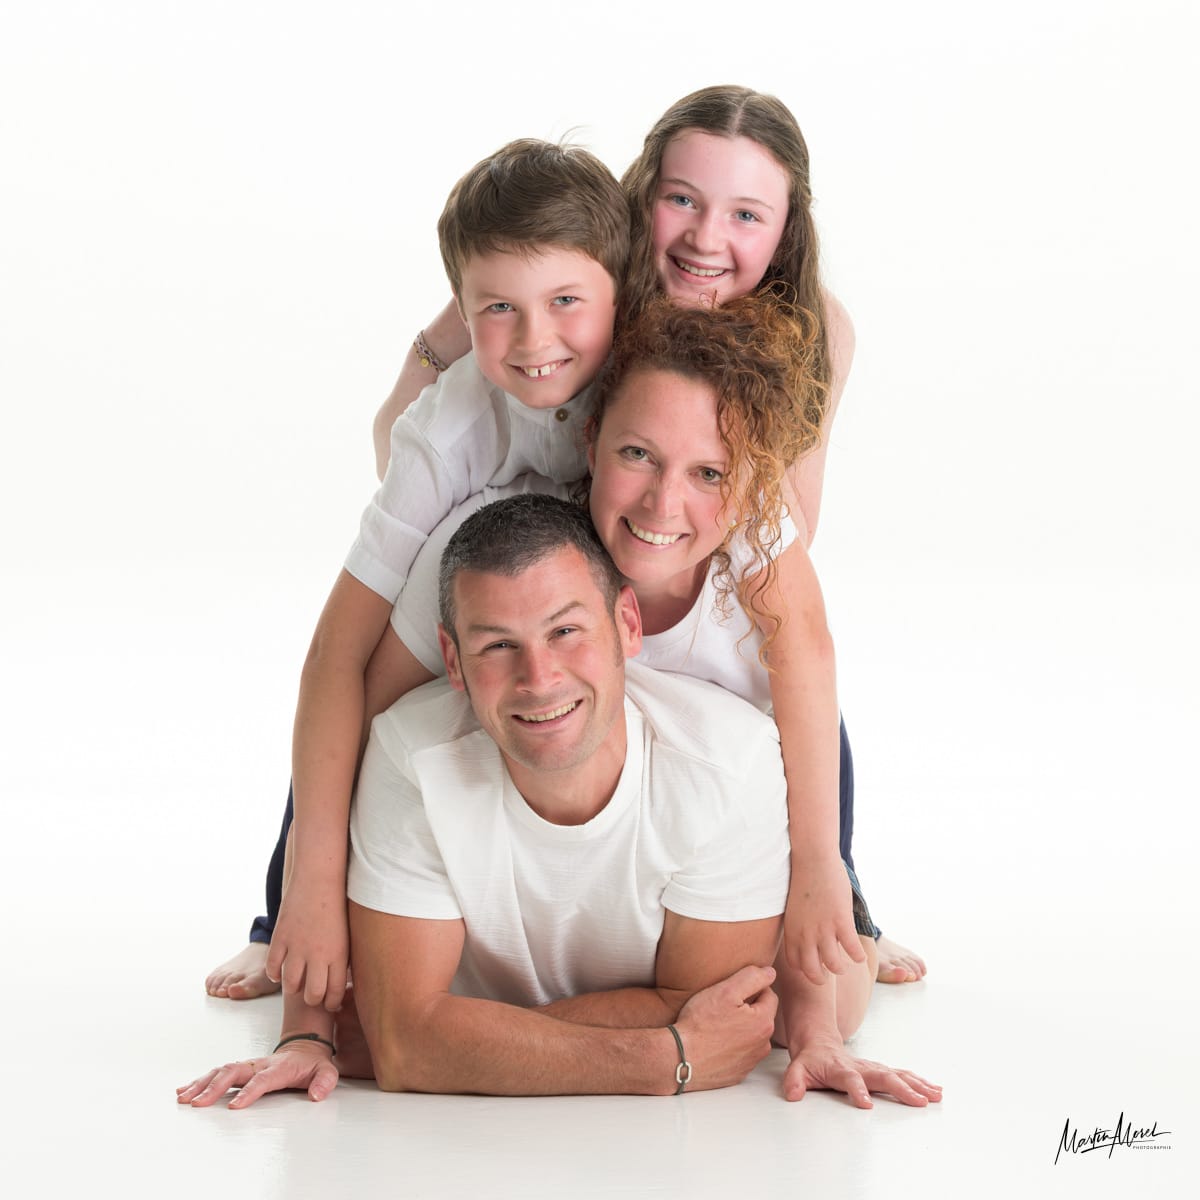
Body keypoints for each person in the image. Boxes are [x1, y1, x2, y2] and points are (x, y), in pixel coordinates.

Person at [206, 86, 923, 1004]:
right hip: (526, 523)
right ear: (640, 207)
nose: (707, 237)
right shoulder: (555, 297)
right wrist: (436, 372)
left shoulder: (774, 340)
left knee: (784, 657)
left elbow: (795, 548)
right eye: (682, 200)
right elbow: (415, 421)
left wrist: (699, 517)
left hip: (642, 538)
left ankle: (835, 889)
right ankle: (290, 903)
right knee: (392, 656)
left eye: (747, 213)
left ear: (785, 230)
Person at [179, 496, 941, 1108]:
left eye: (566, 631)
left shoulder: (728, 760)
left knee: (831, 992)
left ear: (628, 624)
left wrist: (437, 1037)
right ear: (451, 659)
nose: (539, 678)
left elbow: (730, 1019)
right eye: (496, 645)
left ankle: (860, 923)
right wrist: (662, 1055)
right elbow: (411, 1047)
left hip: (757, 838)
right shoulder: (412, 757)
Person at [206, 137, 629, 1014]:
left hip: (597, 561)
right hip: (479, 556)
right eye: (498, 308)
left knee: (755, 643)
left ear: (618, 293)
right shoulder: (447, 428)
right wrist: (311, 891)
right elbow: (333, 655)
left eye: (564, 301)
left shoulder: (643, 373)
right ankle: (280, 908)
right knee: (362, 697)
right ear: (460, 313)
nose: (537, 338)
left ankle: (844, 892)